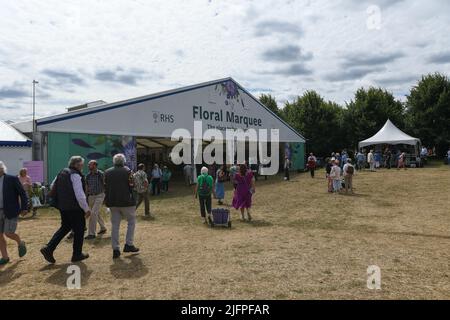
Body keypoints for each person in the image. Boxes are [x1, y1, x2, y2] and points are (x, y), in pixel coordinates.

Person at [40, 156, 91, 264]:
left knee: (65, 227)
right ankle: (77, 254)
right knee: (79, 230)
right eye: (81, 165)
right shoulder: (75, 175)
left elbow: (53, 186)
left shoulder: (62, 172)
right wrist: (86, 209)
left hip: (63, 206)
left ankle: (48, 248)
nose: (82, 167)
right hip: (75, 208)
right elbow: (80, 194)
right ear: (77, 165)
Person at [105, 154, 139, 259]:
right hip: (126, 201)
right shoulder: (128, 171)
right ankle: (129, 244)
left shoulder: (107, 172)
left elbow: (105, 186)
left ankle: (115, 249)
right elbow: (133, 185)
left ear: (114, 161)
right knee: (131, 222)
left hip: (112, 202)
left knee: (115, 226)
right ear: (123, 161)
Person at [0, 161, 28, 265]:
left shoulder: (12, 179)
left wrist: (25, 207)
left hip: (11, 210)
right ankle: (5, 257)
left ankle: (20, 243)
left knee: (8, 233)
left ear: (2, 169)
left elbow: (22, 193)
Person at [85, 160, 107, 240]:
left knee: (93, 213)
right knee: (96, 213)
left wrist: (106, 196)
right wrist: (86, 197)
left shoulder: (100, 174)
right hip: (91, 196)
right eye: (88, 165)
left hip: (99, 195)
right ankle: (103, 228)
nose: (88, 166)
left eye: (90, 165)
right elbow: (87, 186)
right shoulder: (88, 176)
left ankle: (91, 233)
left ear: (95, 165)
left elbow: (105, 184)